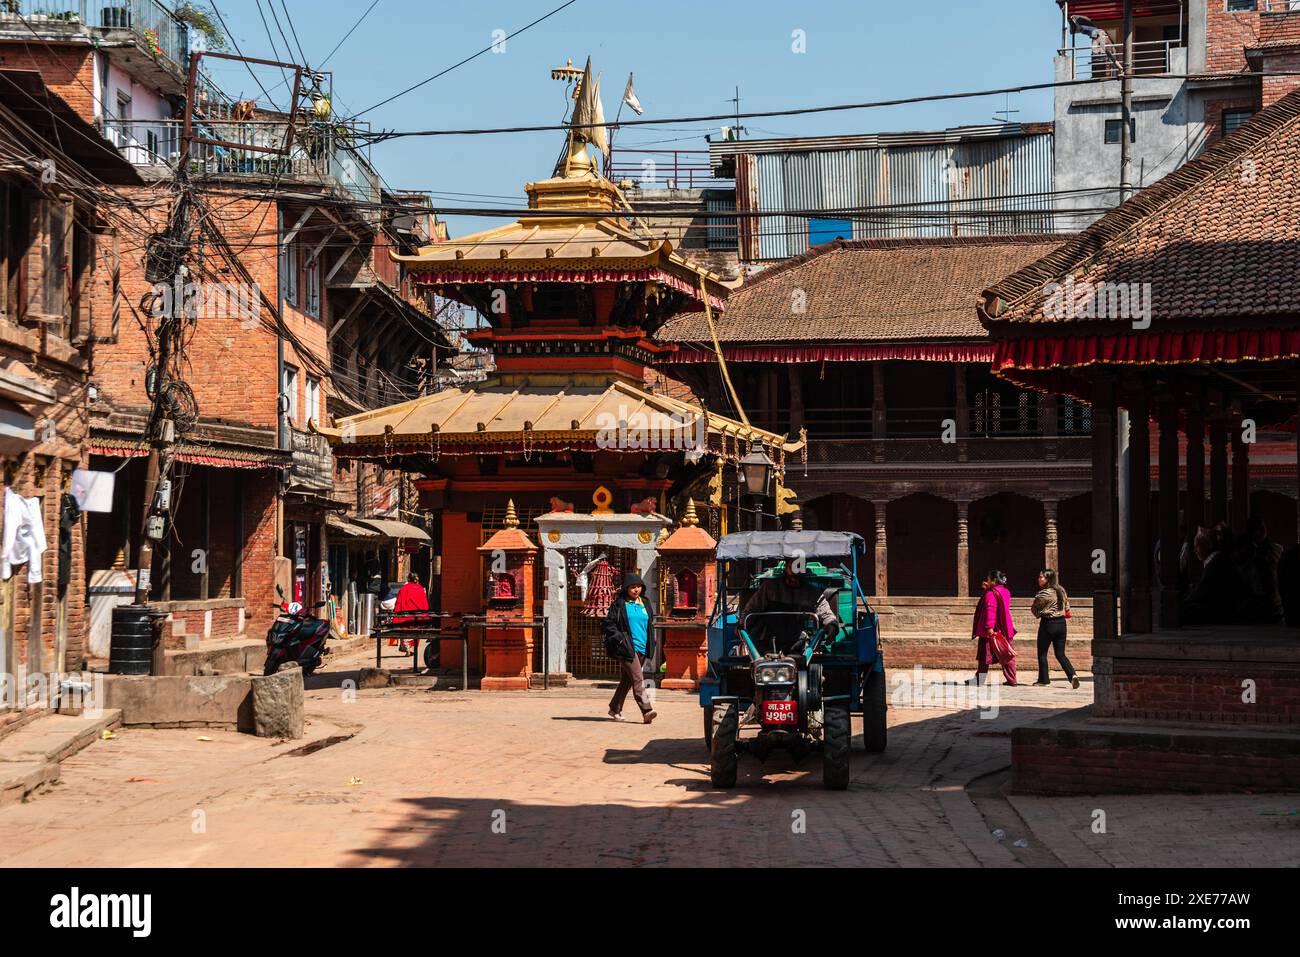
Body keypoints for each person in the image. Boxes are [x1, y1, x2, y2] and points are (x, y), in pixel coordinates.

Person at [736, 561, 839, 653]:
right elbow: (752, 608)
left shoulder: (812, 592)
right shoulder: (769, 588)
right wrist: (741, 625)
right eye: (793, 566)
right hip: (769, 642)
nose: (795, 571)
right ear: (786, 567)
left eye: (799, 566)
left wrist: (831, 625)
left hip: (800, 644)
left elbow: (825, 611)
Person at [604, 573, 658, 724]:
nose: (636, 590)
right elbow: (609, 624)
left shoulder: (645, 602)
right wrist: (620, 639)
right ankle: (646, 710)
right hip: (627, 647)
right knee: (638, 679)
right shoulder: (619, 604)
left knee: (628, 680)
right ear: (626, 589)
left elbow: (649, 623)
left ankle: (615, 708)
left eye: (638, 586)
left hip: (643, 647)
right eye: (632, 587)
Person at [1183, 524, 1245, 625]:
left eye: (1197, 547)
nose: (1195, 551)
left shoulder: (1215, 564)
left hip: (1223, 611)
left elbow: (1200, 592)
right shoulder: (1219, 560)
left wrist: (1182, 603)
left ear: (1207, 546)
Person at [1030, 569, 1079, 688]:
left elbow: (1035, 610)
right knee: (1060, 654)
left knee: (1042, 653)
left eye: (1041, 577)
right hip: (1062, 624)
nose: (1039, 578)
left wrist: (1040, 613)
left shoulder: (1042, 594)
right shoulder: (1061, 590)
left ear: (1047, 579)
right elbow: (1067, 608)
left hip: (1048, 624)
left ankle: (1044, 679)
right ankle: (1072, 675)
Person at [970, 570, 1017, 686]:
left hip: (991, 630)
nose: (987, 581)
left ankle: (979, 680)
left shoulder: (991, 594)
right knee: (1007, 654)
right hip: (1005, 628)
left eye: (989, 579)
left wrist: (989, 627)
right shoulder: (1006, 591)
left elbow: (991, 610)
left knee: (984, 656)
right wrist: (988, 589)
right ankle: (1012, 679)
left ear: (994, 581)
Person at [390, 572, 430, 653]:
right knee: (415, 632)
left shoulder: (404, 589)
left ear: (408, 579)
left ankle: (405, 645)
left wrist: (395, 615)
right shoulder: (420, 588)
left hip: (405, 617)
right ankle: (409, 646)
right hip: (417, 617)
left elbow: (399, 603)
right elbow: (425, 604)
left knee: (404, 630)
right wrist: (426, 616)